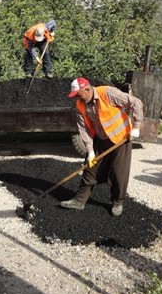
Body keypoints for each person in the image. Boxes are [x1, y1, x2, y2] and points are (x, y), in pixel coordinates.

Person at [60, 77, 143, 216]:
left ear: (87, 89)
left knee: (118, 172)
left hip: (120, 138)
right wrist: (90, 151)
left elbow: (136, 102)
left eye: (78, 95)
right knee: (89, 168)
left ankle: (117, 202)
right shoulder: (80, 104)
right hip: (100, 138)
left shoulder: (108, 93)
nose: (77, 98)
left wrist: (136, 126)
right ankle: (79, 201)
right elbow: (84, 129)